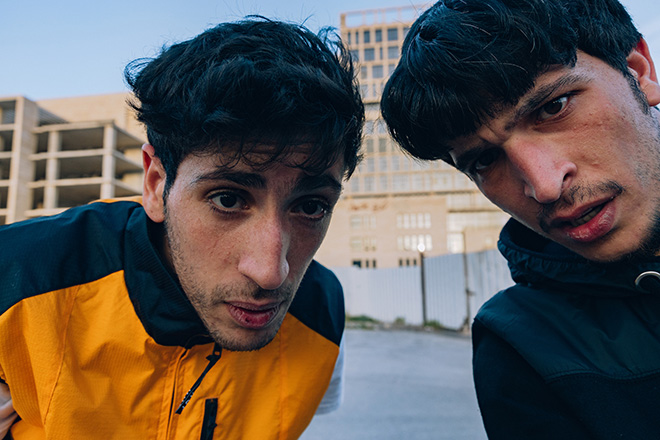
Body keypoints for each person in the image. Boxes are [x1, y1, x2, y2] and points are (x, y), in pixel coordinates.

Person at [0, 17, 364, 439]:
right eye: (228, 199)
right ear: (156, 185)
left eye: (311, 206)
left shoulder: (320, 312)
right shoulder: (17, 284)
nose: (270, 272)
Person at [381, 0, 660, 438]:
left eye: (553, 108)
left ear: (639, 71)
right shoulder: (523, 343)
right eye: (485, 159)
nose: (544, 186)